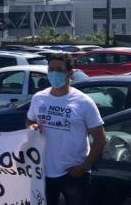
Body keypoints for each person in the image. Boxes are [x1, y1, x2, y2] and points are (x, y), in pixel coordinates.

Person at [26, 53, 106, 205]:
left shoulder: (84, 102)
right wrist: (31, 127)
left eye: (59, 70)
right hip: (43, 171)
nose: (54, 73)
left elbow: (101, 139)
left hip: (73, 173)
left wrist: (85, 166)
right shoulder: (38, 98)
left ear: (70, 72)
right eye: (51, 69)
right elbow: (29, 121)